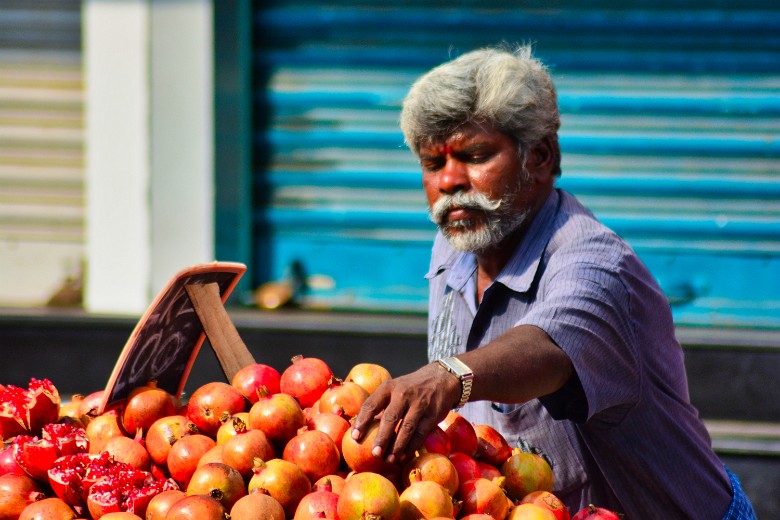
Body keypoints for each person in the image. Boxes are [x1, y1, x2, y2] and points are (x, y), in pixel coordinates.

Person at [350, 45, 756, 519]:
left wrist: (448, 376)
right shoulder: (456, 245)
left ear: (539, 157)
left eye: (475, 156)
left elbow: (547, 350)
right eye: (432, 163)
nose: (449, 181)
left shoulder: (596, 264)